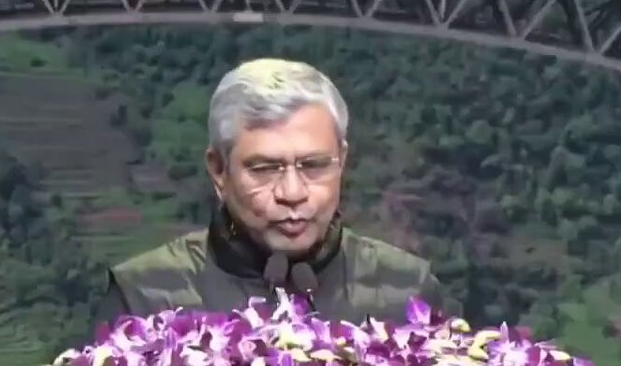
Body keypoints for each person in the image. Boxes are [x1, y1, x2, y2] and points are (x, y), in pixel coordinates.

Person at [98, 58, 456, 324]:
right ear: (219, 170)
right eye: (265, 169)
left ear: (342, 160)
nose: (292, 192)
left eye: (314, 166)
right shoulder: (144, 294)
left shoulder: (407, 290)